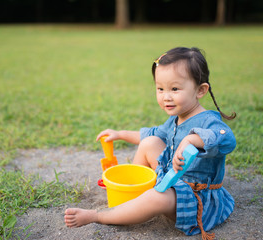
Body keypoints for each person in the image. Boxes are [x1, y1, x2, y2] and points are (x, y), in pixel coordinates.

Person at [64, 47, 236, 240]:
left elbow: (227, 138)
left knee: (157, 197)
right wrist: (120, 134)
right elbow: (152, 134)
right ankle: (134, 197)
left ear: (200, 90)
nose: (166, 96)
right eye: (160, 89)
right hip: (173, 178)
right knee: (150, 142)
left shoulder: (208, 121)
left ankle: (98, 216)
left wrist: (191, 139)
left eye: (175, 89)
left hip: (193, 196)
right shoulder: (176, 118)